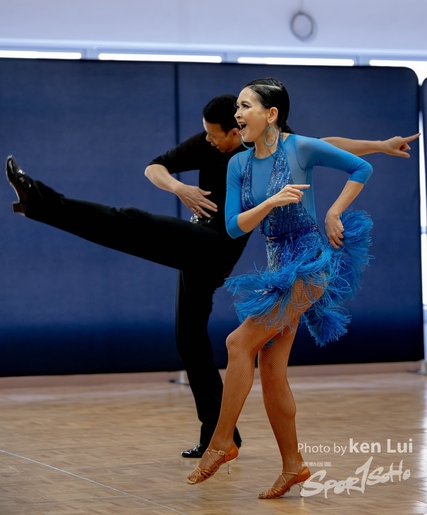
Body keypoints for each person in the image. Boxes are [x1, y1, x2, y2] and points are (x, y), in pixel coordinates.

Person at [5, 93, 418, 463]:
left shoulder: (261, 146)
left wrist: (379, 146)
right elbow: (154, 167)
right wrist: (179, 189)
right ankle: (219, 435)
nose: (208, 140)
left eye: (216, 134)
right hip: (195, 245)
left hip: (216, 245)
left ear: (237, 131)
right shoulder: (209, 142)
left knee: (129, 222)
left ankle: (40, 201)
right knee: (188, 338)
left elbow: (327, 145)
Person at [186, 77, 377, 497]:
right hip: (277, 267)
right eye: (237, 106)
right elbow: (234, 227)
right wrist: (270, 202)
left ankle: (221, 442)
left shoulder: (299, 147)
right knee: (271, 370)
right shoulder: (238, 164)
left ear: (271, 114)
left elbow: (360, 167)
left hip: (308, 266)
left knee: (238, 343)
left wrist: (334, 212)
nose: (237, 113)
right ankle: (293, 465)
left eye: (245, 106)